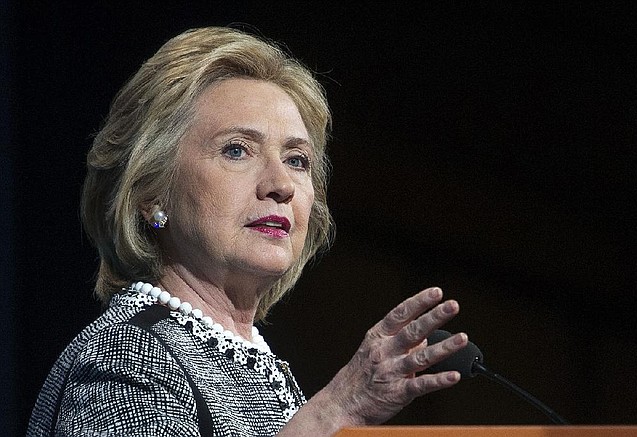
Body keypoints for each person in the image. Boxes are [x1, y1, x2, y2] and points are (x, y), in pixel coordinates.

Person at [27, 26, 469, 436]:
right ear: (153, 193)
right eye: (237, 150)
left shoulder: (254, 367)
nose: (280, 185)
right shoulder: (128, 356)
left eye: (297, 159)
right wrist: (334, 412)